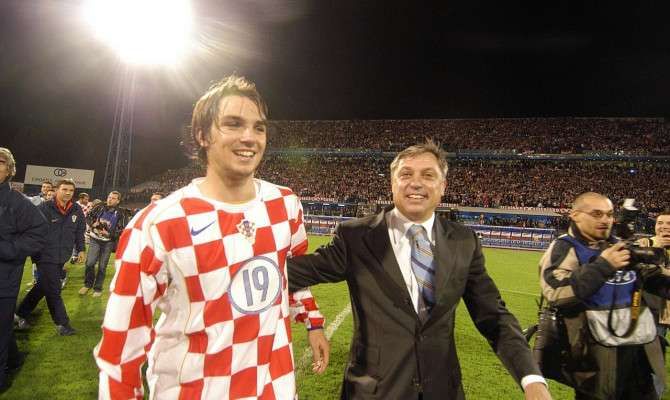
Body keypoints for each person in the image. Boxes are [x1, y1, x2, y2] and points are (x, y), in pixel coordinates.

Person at [94, 75, 329, 399]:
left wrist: (313, 320)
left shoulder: (284, 205)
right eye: (233, 124)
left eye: (258, 127)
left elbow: (293, 271)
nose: (250, 137)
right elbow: (120, 353)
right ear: (202, 135)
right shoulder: (157, 225)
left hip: (275, 390)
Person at [288, 141, 551, 400]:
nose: (416, 183)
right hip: (374, 391)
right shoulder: (356, 237)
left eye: (428, 175)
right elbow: (294, 272)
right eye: (406, 174)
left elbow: (494, 316)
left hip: (443, 390)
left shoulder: (463, 242)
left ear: (443, 186)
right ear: (392, 183)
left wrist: (531, 379)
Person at [540, 192, 670, 399]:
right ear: (575, 215)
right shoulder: (566, 247)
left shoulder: (617, 244)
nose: (605, 220)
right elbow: (556, 292)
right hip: (596, 359)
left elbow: (655, 280)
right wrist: (604, 266)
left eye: (609, 214)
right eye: (597, 214)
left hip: (637, 353)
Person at [0, 148, 47, 391]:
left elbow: (39, 234)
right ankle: (15, 358)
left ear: (9, 170)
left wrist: (7, 250)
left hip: (3, 278)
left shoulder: (18, 202)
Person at [15, 179, 86, 336]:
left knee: (42, 287)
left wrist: (81, 249)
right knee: (54, 290)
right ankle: (62, 324)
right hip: (44, 255)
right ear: (56, 190)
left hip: (62, 256)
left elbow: (79, 232)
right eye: (64, 189)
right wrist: (34, 252)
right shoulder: (44, 207)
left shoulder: (76, 209)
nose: (68, 193)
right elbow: (31, 230)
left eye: (71, 190)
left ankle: (19, 314)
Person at [636, 210, 670, 397]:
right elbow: (638, 274)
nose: (664, 227)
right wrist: (655, 250)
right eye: (660, 223)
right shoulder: (644, 245)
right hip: (654, 311)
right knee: (653, 359)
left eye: (668, 224)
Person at [78, 191, 129, 297]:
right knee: (90, 263)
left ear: (118, 201)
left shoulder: (122, 213)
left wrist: (109, 233)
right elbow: (88, 216)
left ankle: (98, 287)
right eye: (109, 197)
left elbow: (123, 230)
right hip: (95, 239)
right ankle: (87, 284)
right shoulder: (99, 206)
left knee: (102, 266)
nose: (110, 199)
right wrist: (93, 224)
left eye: (113, 198)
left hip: (108, 242)